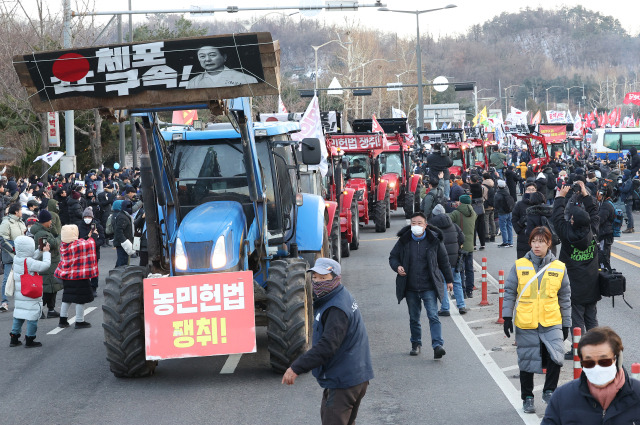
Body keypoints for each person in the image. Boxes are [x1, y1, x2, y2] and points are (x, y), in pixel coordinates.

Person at [282, 258, 373, 425]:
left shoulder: (335, 307)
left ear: (336, 278)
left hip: (344, 382)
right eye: (315, 278)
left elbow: (327, 346)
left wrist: (296, 367)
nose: (317, 282)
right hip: (354, 376)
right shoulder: (339, 296)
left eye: (323, 278)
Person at [502, 226, 571, 414]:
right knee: (526, 362)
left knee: (556, 358)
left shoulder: (559, 267)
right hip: (526, 321)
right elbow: (509, 292)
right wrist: (507, 316)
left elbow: (565, 297)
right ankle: (528, 398)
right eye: (534, 241)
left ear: (549, 243)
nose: (536, 245)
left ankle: (550, 392)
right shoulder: (519, 265)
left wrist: (566, 324)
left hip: (551, 320)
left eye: (541, 241)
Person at [542, 327, 640, 423]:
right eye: (589, 363)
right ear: (581, 364)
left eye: (604, 361)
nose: (597, 368)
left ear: (617, 360)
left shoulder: (638, 392)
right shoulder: (562, 397)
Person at [389, 212, 453, 357]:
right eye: (413, 223)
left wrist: (449, 280)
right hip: (410, 287)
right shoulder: (403, 241)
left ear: (425, 225)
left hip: (428, 286)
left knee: (433, 316)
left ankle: (437, 345)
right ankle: (416, 343)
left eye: (419, 223)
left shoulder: (434, 241)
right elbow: (393, 257)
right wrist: (397, 267)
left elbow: (444, 261)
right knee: (414, 317)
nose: (416, 226)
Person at [553, 180, 601, 357]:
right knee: (591, 318)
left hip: (573, 285)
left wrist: (561, 197)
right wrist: (586, 195)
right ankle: (596, 348)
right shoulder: (593, 230)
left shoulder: (567, 234)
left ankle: (579, 350)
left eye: (572, 218)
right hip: (592, 283)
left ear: (573, 221)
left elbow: (557, 217)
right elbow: (595, 212)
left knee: (577, 320)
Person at [9, 235, 51, 348]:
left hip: (20, 293)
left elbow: (29, 258)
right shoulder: (29, 262)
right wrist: (46, 252)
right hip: (31, 293)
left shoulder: (17, 258)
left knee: (19, 314)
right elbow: (45, 265)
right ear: (29, 248)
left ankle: (14, 337)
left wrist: (39, 250)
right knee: (32, 316)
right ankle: (30, 339)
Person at [54, 225, 98, 329]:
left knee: (67, 298)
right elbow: (90, 244)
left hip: (67, 276)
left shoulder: (63, 245)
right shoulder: (78, 245)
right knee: (80, 299)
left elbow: (83, 242)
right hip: (79, 276)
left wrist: (87, 237)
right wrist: (94, 236)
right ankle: (79, 321)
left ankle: (63, 320)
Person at [430, 204, 467, 315]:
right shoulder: (454, 225)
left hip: (440, 260)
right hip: (455, 259)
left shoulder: (432, 228)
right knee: (457, 282)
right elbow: (462, 239)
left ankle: (445, 308)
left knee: (442, 283)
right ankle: (461, 306)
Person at [29, 210, 62, 318]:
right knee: (48, 288)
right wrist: (60, 238)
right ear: (45, 221)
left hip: (52, 262)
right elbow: (49, 245)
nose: (51, 222)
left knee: (53, 288)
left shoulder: (45, 231)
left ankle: (51, 309)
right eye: (49, 220)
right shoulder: (41, 233)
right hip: (47, 263)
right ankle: (40, 309)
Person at [186, 45, 259, 89]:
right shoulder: (193, 83)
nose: (207, 59)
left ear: (224, 57)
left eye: (212, 55)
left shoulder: (247, 79)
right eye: (202, 56)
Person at [449, 194, 477, 298]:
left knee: (460, 269)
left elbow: (448, 220)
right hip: (470, 245)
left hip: (460, 246)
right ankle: (470, 291)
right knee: (469, 269)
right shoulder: (473, 213)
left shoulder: (456, 213)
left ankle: (462, 291)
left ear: (460, 202)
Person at [0, 203, 26, 312]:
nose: (21, 212)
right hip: (10, 255)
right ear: (16, 211)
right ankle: (4, 302)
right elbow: (2, 239)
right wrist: (14, 250)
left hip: (22, 254)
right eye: (20, 210)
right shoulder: (6, 222)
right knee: (7, 278)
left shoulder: (21, 221)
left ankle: (21, 301)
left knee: (22, 278)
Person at [77, 207, 105, 297]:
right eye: (86, 216)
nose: (87, 218)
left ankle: (93, 288)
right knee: (83, 271)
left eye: (89, 216)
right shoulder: (79, 226)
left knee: (94, 271)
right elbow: (77, 239)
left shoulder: (98, 226)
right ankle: (85, 287)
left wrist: (94, 243)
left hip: (94, 252)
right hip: (82, 252)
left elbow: (102, 239)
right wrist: (86, 238)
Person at [113, 200, 135, 267]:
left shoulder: (125, 215)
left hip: (123, 242)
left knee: (122, 261)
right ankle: (118, 275)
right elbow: (119, 231)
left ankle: (117, 274)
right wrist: (125, 242)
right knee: (122, 262)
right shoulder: (123, 217)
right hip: (122, 243)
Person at [597, 183, 616, 264]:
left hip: (605, 234)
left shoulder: (606, 205)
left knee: (603, 256)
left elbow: (600, 220)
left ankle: (605, 273)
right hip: (606, 233)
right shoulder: (607, 202)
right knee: (604, 255)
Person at [494, 179, 515, 247]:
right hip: (509, 211)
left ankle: (505, 242)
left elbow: (496, 205)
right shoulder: (507, 192)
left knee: (503, 228)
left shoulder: (498, 194)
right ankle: (510, 242)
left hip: (502, 212)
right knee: (509, 226)